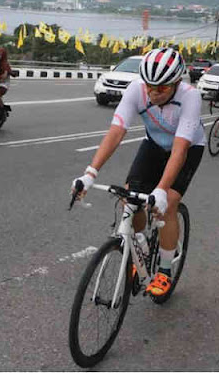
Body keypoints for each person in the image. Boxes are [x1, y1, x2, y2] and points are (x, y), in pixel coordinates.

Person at [71, 48, 205, 298]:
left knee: (169, 204)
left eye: (162, 89)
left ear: (177, 83)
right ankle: (141, 247)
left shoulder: (191, 97)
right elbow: (116, 131)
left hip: (187, 147)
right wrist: (90, 173)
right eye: (150, 86)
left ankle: (164, 271)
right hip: (154, 144)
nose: (153, 93)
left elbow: (179, 149)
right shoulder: (136, 90)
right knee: (130, 199)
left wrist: (162, 190)